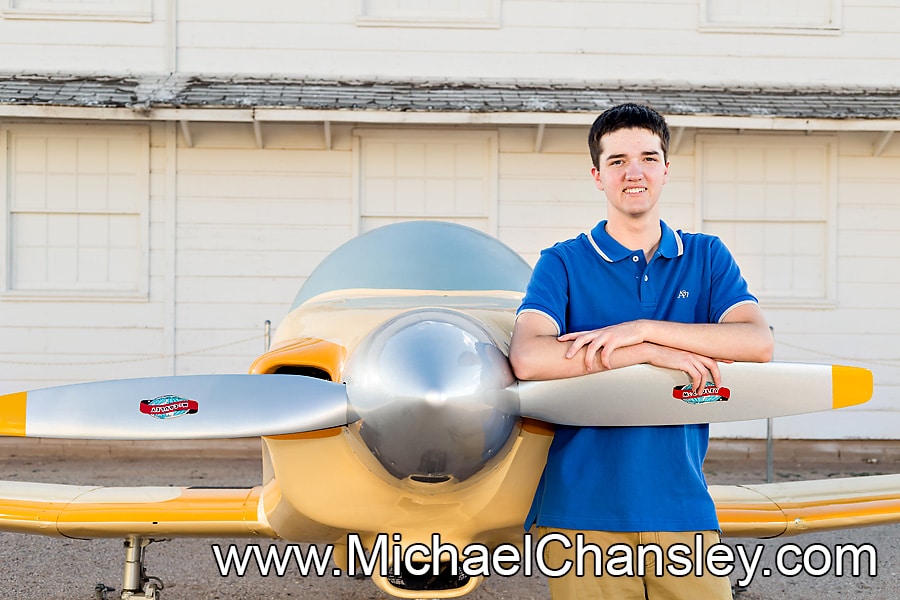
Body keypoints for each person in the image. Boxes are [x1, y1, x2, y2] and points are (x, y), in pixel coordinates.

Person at [508, 103, 774, 599]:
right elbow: (528, 357)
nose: (635, 173)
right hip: (583, 517)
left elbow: (757, 343)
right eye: (618, 161)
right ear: (597, 175)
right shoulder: (562, 263)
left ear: (666, 170)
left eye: (649, 158)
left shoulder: (705, 255)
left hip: (683, 507)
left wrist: (643, 329)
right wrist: (646, 353)